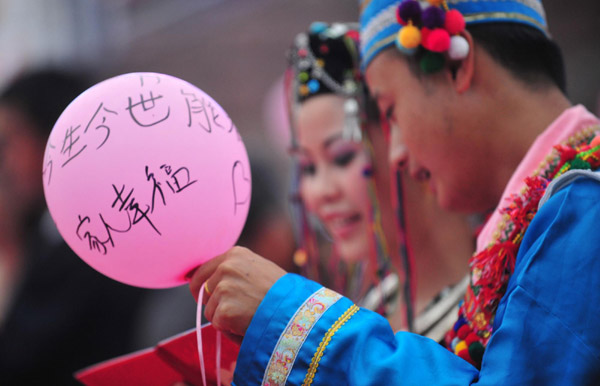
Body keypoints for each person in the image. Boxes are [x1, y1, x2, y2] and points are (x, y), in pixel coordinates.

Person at [189, 0, 600, 383]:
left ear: (458, 66)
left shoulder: (584, 205)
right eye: (307, 167)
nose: (399, 153)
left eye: (390, 111)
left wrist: (295, 318)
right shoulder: (559, 209)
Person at [285, 21, 474, 333]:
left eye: (342, 157)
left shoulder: (493, 309)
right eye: (308, 168)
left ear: (408, 136)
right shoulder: (363, 315)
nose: (320, 191)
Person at [0, 69, 147, 385]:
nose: (6, 163)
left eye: (10, 141)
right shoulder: (49, 234)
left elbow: (17, 359)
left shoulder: (88, 242)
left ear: (55, 139)